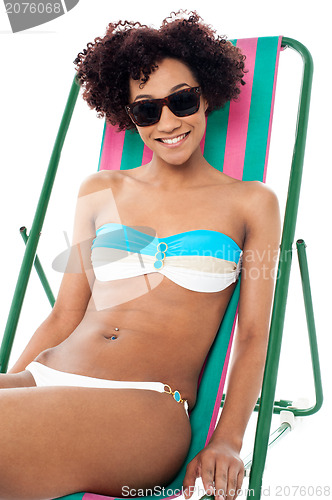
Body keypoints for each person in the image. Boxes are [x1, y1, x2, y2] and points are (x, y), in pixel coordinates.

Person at [0, 11, 280, 500]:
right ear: (128, 117)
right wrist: (13, 384)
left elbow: (255, 335)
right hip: (45, 374)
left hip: (146, 406)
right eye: (146, 110)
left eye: (182, 100)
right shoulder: (100, 187)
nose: (168, 122)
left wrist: (229, 440)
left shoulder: (251, 202)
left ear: (207, 96)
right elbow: (65, 313)